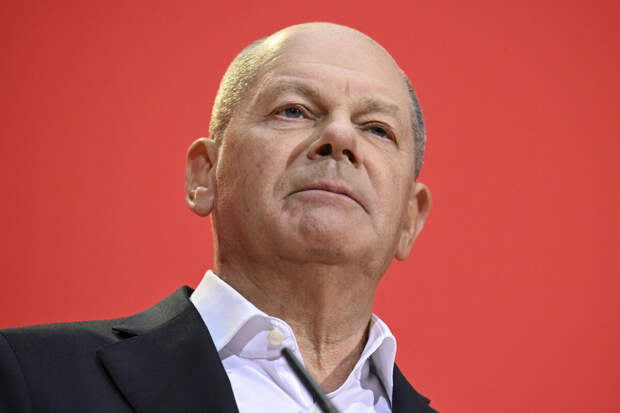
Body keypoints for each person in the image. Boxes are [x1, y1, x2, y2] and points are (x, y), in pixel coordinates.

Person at [0, 22, 435, 413]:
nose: (339, 137)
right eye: (293, 110)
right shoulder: (29, 379)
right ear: (204, 174)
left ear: (409, 220)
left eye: (377, 129)